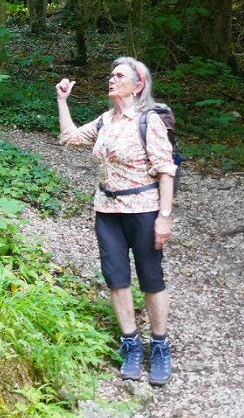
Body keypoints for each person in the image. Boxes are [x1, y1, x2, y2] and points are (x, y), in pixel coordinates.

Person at [56, 57, 177, 385]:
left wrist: (164, 217)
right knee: (116, 278)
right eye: (111, 74)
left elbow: (166, 170)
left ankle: (160, 346)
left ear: (138, 85)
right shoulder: (105, 121)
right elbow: (69, 137)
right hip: (107, 212)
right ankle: (131, 346)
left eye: (119, 75)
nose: (112, 79)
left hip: (144, 209)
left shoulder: (148, 120)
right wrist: (62, 100)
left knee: (151, 277)